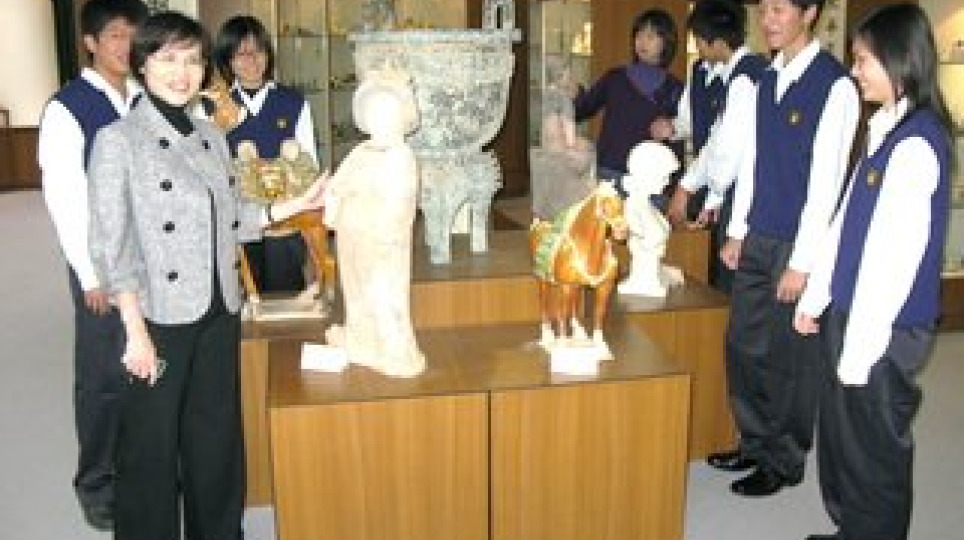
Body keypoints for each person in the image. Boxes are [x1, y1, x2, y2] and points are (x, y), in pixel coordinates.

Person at [86, 12, 327, 539]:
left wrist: (291, 206)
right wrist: (134, 331)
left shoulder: (211, 137)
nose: (182, 72)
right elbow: (111, 246)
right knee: (150, 447)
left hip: (219, 307)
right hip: (159, 317)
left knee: (215, 438)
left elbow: (235, 217)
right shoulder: (118, 141)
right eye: (168, 59)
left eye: (192, 60)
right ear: (142, 64)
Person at [794, 4, 953, 539]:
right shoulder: (884, 128)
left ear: (899, 60)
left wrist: (859, 352)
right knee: (845, 439)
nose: (855, 70)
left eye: (863, 60)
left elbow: (892, 262)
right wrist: (816, 297)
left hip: (884, 328)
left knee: (874, 449)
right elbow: (844, 225)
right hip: (852, 312)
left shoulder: (917, 144)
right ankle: (853, 529)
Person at [711, 0, 860, 497]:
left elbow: (827, 184)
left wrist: (803, 263)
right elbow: (752, 162)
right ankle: (754, 443)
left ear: (809, 12)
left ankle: (784, 459)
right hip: (757, 234)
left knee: (788, 361)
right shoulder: (766, 78)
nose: (768, 20)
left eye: (780, 9)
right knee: (742, 346)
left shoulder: (835, 86)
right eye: (764, 10)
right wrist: (737, 229)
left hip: (797, 244)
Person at [36, 0, 148, 530]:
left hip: (154, 259)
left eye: (135, 34)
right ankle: (97, 481)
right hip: (102, 265)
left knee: (151, 365)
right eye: (116, 35)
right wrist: (89, 273)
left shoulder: (147, 96)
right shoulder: (69, 108)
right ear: (90, 42)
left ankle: (143, 466)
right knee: (105, 375)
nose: (127, 45)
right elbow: (65, 198)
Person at [322, 70, 425, 378]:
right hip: (351, 236)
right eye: (374, 113)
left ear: (402, 117)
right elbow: (338, 184)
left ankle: (395, 351)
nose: (380, 120)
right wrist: (334, 202)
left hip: (381, 242)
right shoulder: (360, 152)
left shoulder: (401, 156)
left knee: (383, 294)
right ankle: (360, 340)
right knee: (355, 292)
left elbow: (401, 202)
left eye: (388, 113)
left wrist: (382, 230)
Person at [660, 0, 768, 293]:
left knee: (726, 282)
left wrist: (711, 196)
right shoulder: (713, 71)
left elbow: (728, 151)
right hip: (716, 190)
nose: (697, 48)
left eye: (699, 41)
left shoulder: (746, 78)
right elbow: (712, 138)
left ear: (717, 42)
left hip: (738, 197)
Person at [212, 15, 319, 294]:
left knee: (286, 292)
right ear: (228, 60)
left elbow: (309, 162)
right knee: (243, 296)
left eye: (258, 51)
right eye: (241, 53)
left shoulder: (293, 102)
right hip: (237, 218)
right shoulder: (215, 107)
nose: (252, 60)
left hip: (285, 218)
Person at [570, 8, 684, 196]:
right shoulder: (615, 77)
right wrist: (575, 95)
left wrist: (674, 188)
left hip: (650, 180)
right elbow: (584, 109)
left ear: (667, 42)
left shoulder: (675, 88)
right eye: (638, 34)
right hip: (609, 171)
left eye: (650, 36)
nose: (642, 41)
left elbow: (678, 139)